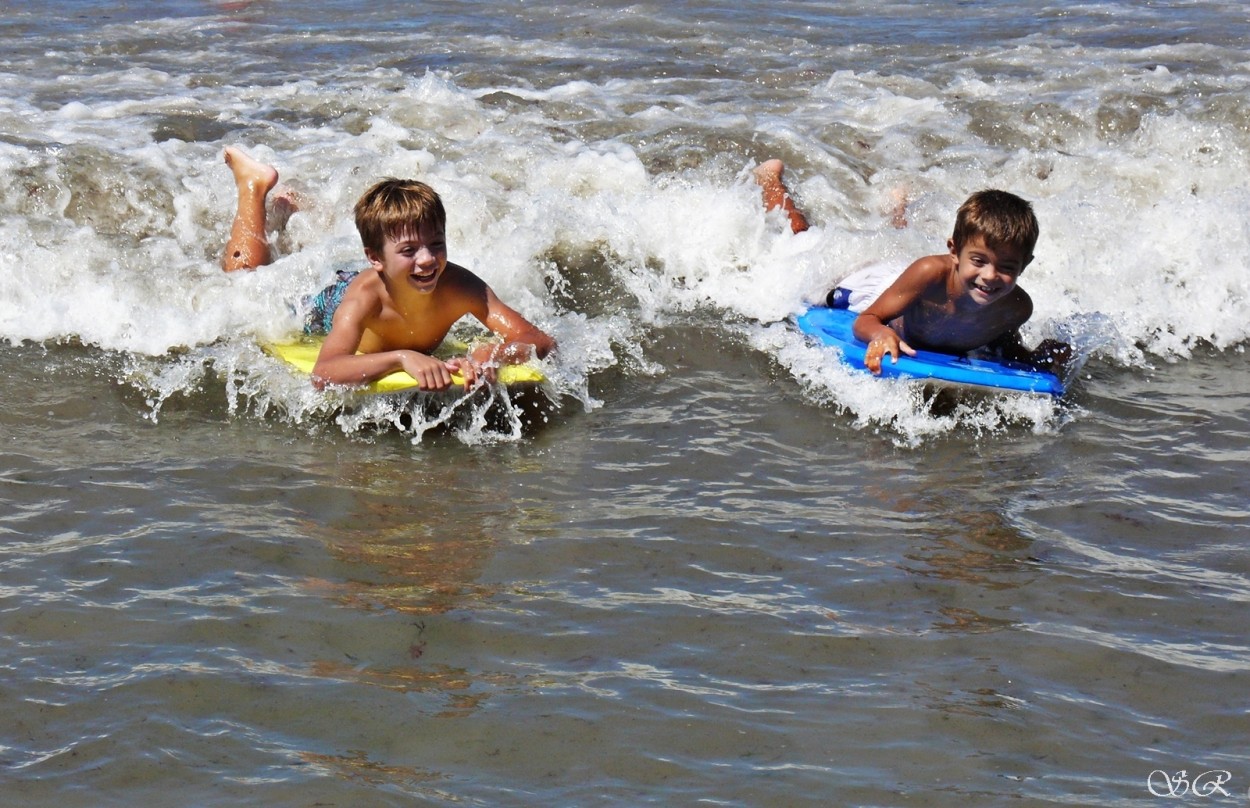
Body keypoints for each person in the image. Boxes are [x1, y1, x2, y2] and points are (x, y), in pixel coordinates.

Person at [222, 147, 556, 391]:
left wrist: (493, 353)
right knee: (245, 282)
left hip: (386, 275)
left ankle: (292, 209)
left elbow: (538, 340)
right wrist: (402, 358)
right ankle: (253, 185)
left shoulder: (460, 286)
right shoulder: (363, 300)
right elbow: (325, 372)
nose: (427, 259)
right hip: (329, 304)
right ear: (375, 258)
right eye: (410, 250)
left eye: (436, 244)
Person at [754, 160, 1069, 375]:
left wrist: (1035, 358)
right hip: (869, 286)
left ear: (1025, 265)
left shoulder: (1016, 307)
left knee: (898, 242)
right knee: (802, 241)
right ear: (954, 252)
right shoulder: (929, 272)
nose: (990, 276)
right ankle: (769, 180)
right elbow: (865, 321)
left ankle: (897, 206)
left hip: (907, 282)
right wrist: (880, 334)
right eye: (979, 261)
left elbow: (998, 342)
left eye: (1006, 267)